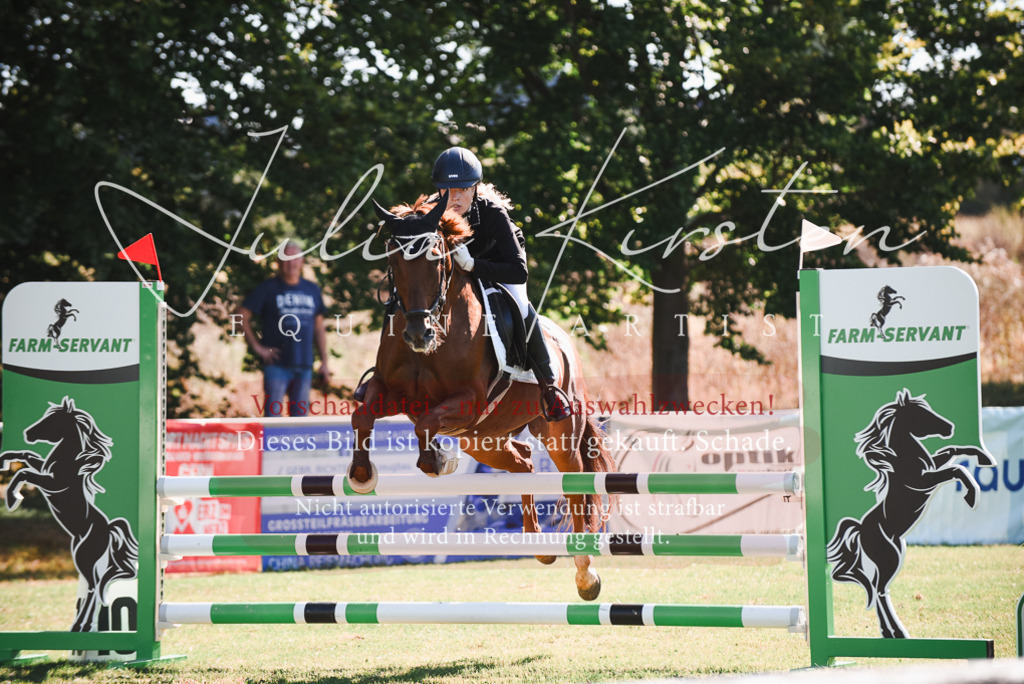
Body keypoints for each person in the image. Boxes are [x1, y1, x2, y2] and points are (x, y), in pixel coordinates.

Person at [356, 147, 571, 421]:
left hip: (499, 267)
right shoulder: (430, 211)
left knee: (521, 306)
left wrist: (473, 265)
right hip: (453, 275)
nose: (454, 197)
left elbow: (518, 272)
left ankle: (549, 386)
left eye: (462, 189)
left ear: (475, 188)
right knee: (401, 297)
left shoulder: (493, 214)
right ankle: (381, 372)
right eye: (447, 190)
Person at [236, 239, 331, 416]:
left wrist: (324, 362)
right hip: (277, 365)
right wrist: (258, 348)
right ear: (278, 263)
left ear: (302, 262)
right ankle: (272, 445)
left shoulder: (312, 289)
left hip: (304, 364)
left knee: (300, 421)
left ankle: (296, 445)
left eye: (295, 259)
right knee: (273, 419)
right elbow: (241, 314)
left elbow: (319, 328)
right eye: (286, 259)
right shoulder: (268, 288)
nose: (291, 263)